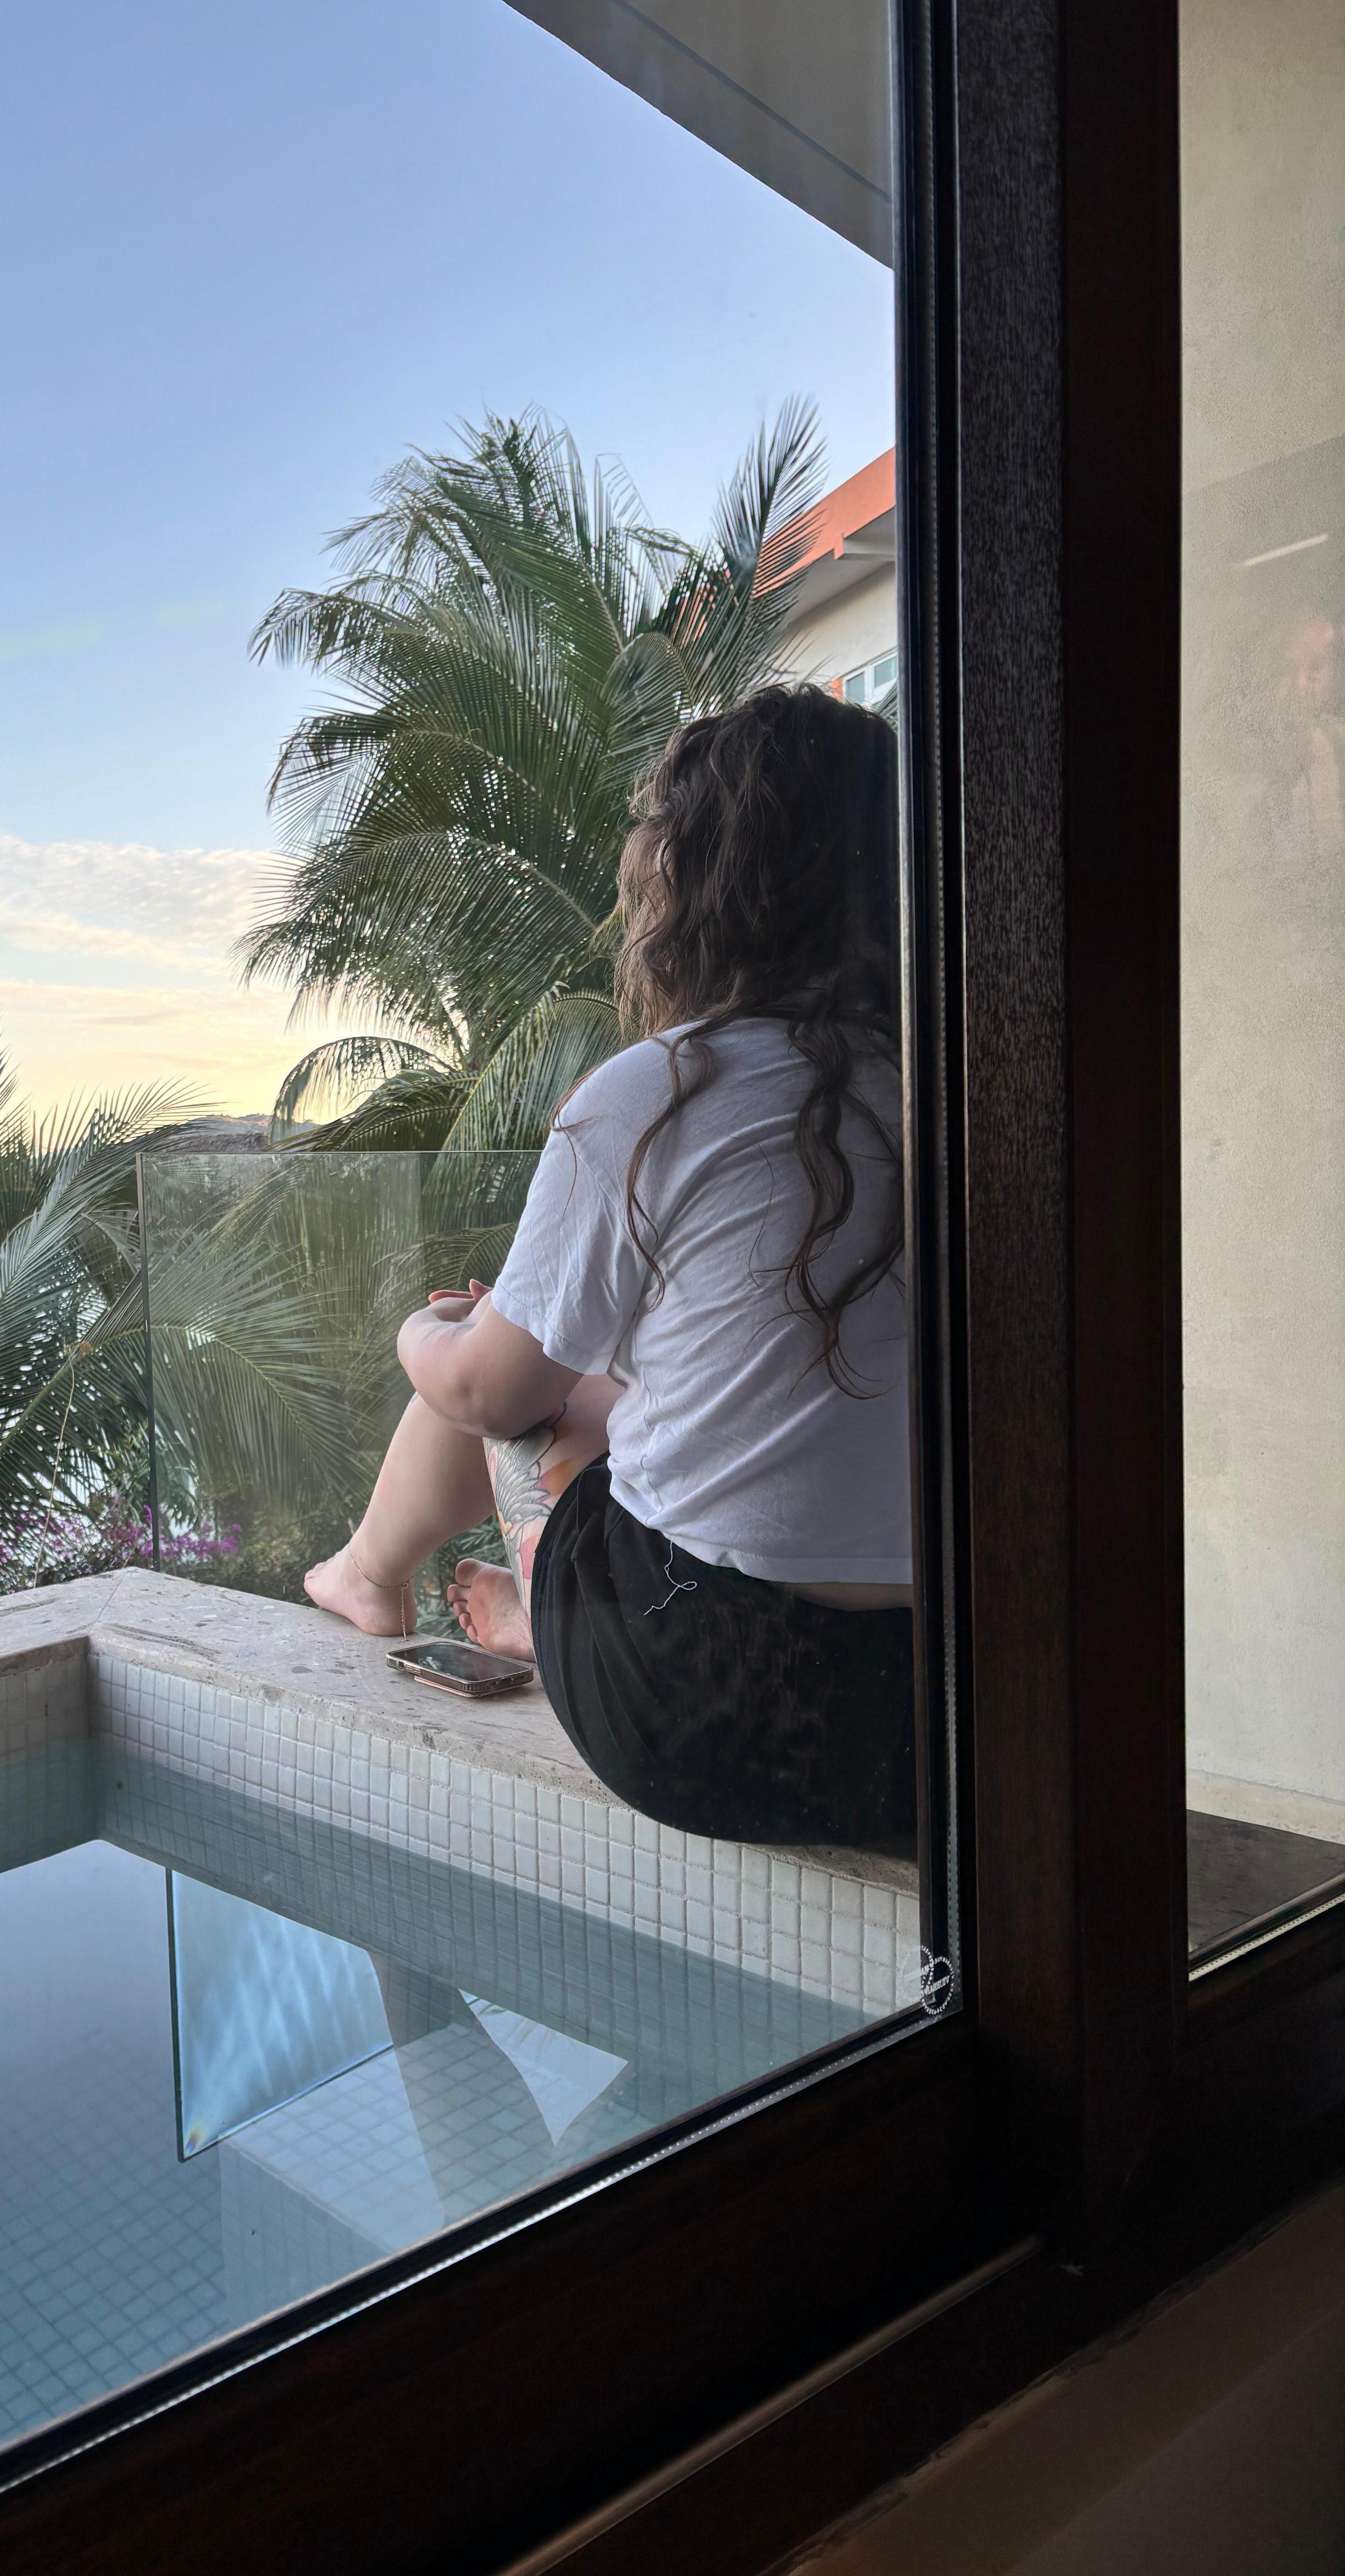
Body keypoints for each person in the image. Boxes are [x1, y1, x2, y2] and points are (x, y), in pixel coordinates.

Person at [305, 683, 915, 1858]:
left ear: (691, 892)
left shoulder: (662, 1092)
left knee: (491, 1363)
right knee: (596, 1387)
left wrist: (423, 1339)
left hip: (691, 1703)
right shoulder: (957, 1085)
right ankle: (399, 1577)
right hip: (940, 1714)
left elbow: (493, 1397)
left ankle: (376, 1578)